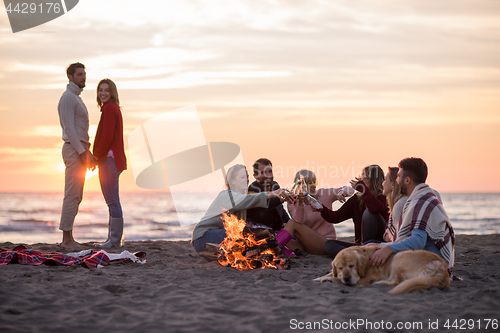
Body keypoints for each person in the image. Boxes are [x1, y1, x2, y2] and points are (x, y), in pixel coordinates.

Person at [369, 157, 456, 275]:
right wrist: (380, 245)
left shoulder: (420, 201)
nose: (397, 180)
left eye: (398, 176)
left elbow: (418, 240)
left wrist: (388, 249)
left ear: (407, 180)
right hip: (427, 259)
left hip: (431, 265)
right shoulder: (423, 196)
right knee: (371, 247)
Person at [191, 164, 286, 252]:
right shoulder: (226, 195)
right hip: (203, 237)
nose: (247, 180)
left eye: (247, 177)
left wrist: (282, 199)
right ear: (233, 181)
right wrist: (272, 193)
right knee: (241, 236)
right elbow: (249, 199)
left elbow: (256, 205)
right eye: (243, 177)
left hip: (222, 239)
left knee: (253, 238)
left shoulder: (242, 201)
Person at [57, 62, 96, 249]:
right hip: (73, 150)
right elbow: (69, 128)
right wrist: (82, 153)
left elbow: (79, 129)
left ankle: (69, 237)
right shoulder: (68, 98)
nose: (83, 77)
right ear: (70, 77)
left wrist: (87, 152)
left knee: (76, 195)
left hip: (79, 150)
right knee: (71, 194)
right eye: (80, 74)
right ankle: (66, 240)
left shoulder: (76, 98)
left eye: (84, 74)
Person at [274, 170, 353, 255]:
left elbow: (350, 190)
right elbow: (299, 221)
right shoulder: (293, 202)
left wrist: (341, 192)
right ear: (299, 185)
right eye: (309, 183)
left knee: (291, 223)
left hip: (326, 243)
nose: (314, 185)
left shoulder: (323, 194)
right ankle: (277, 252)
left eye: (314, 182)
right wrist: (301, 203)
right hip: (306, 245)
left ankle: (273, 249)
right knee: (275, 237)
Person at [92, 79, 127, 248]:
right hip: (109, 160)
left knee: (113, 200)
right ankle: (111, 240)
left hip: (109, 160)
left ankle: (114, 241)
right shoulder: (110, 109)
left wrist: (95, 157)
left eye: (106, 90)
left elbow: (107, 137)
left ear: (112, 92)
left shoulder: (110, 109)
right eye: (100, 90)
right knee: (111, 201)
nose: (103, 93)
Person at [321, 164, 389, 244]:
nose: (361, 179)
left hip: (381, 243)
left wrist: (363, 189)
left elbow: (375, 208)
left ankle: (365, 248)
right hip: (360, 244)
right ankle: (363, 248)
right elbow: (334, 217)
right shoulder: (357, 199)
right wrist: (321, 208)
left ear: (373, 180)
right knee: (329, 244)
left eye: (364, 177)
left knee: (369, 213)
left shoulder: (385, 197)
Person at [246, 158, 290, 231]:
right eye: (263, 173)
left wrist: (287, 222)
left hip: (279, 231)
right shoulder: (252, 191)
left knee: (295, 226)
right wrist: (282, 198)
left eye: (270, 171)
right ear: (255, 175)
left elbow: (280, 209)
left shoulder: (275, 186)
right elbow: (265, 204)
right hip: (263, 236)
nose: (268, 175)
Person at [382, 167, 408, 242]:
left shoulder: (400, 205)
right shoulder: (399, 202)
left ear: (393, 185)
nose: (382, 183)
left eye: (385, 179)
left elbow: (400, 241)